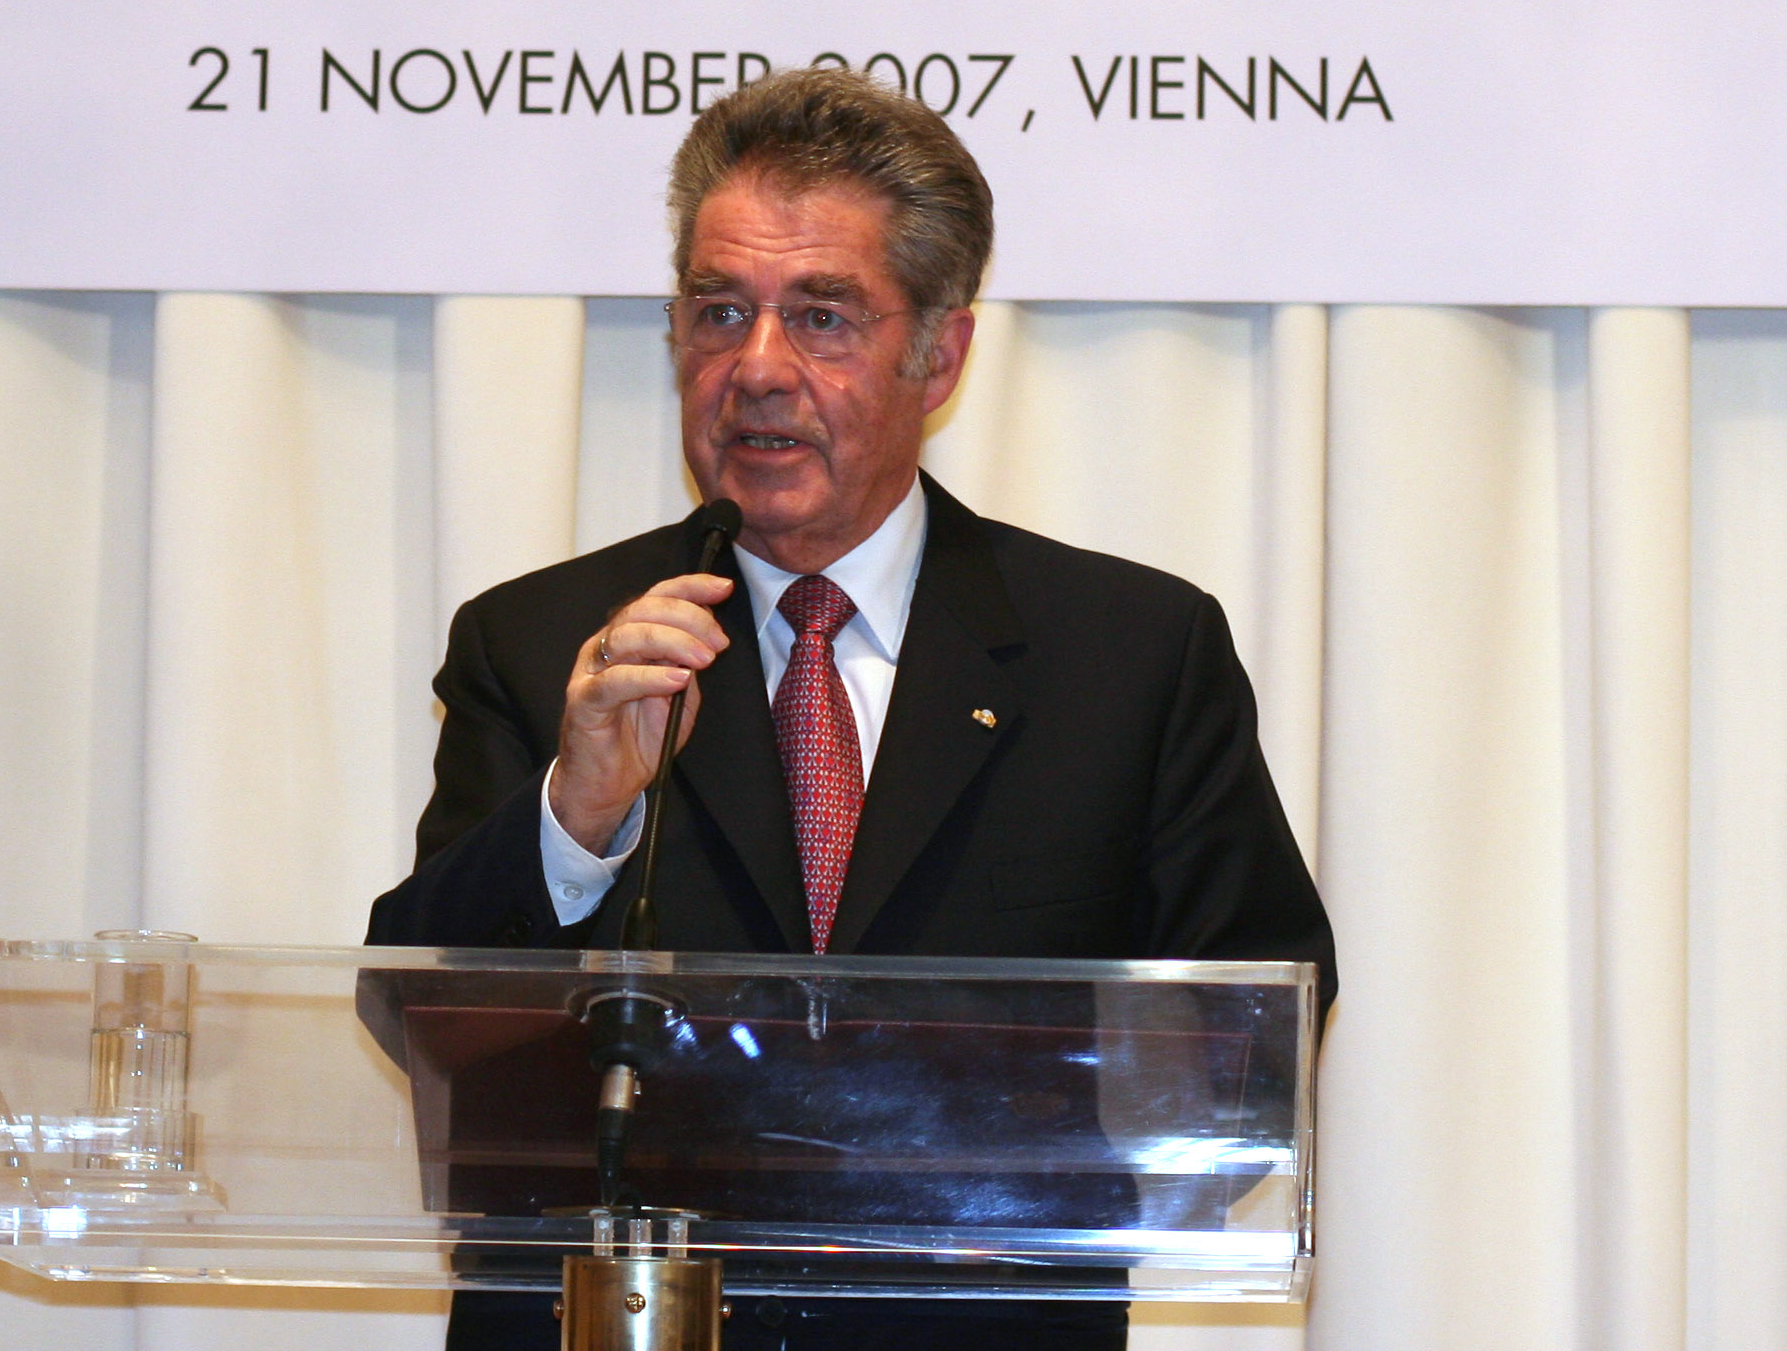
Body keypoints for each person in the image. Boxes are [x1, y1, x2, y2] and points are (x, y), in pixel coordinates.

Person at [367, 66, 1335, 1350]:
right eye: (719, 312)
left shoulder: (1129, 656)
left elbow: (1254, 1038)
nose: (756, 368)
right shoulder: (548, 644)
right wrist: (577, 811)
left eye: (820, 317)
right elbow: (421, 1015)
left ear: (940, 354)